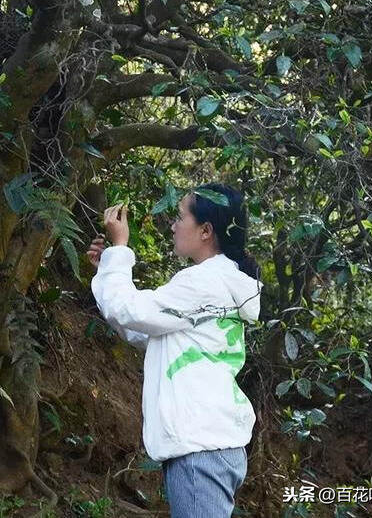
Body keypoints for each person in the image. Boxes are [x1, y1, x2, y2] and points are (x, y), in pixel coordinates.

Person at [86, 183, 263, 518]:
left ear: (206, 231)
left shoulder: (205, 282)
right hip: (208, 445)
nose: (173, 224)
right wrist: (107, 268)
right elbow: (145, 330)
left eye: (180, 217)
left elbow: (130, 311)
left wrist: (120, 248)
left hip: (201, 449)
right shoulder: (219, 282)